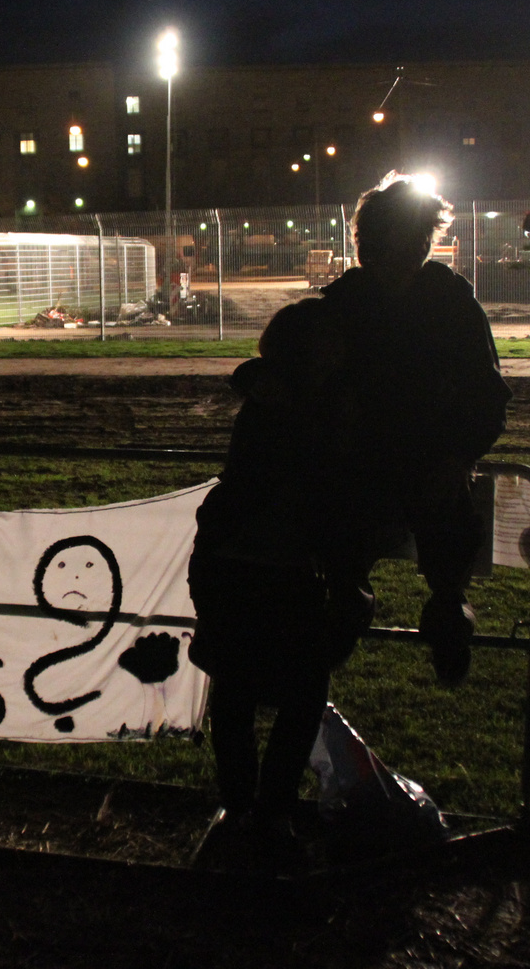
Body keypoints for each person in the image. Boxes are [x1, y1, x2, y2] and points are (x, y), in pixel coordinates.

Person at [312, 173, 512, 686]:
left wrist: (459, 456)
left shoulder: (446, 301)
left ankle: (442, 610)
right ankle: (364, 600)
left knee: (441, 531)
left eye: (421, 237)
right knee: (344, 534)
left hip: (424, 462)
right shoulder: (348, 302)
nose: (417, 247)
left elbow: (486, 395)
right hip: (365, 463)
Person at [188, 299, 338, 870]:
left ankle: (243, 809)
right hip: (275, 565)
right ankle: (266, 811)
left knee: (238, 692)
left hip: (234, 559)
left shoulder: (269, 396)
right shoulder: (304, 407)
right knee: (297, 693)